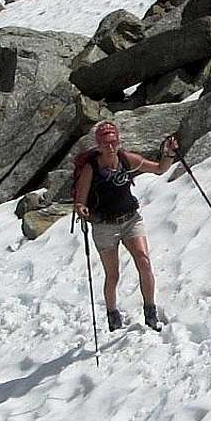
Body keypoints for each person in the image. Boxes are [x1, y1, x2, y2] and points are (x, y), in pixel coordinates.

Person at [74, 120, 178, 332]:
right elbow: (80, 200)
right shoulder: (91, 168)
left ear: (119, 141)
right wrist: (81, 210)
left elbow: (159, 169)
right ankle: (113, 315)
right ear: (98, 145)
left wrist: (169, 154)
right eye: (105, 143)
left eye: (113, 142)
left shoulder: (127, 159)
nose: (110, 147)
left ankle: (150, 311)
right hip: (104, 226)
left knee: (144, 260)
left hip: (130, 219)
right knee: (113, 275)